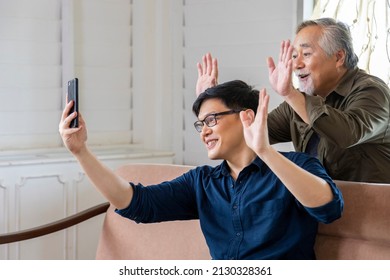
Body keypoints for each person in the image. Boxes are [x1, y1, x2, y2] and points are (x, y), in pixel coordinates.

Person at [59, 79, 343, 260]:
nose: (203, 132)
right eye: (200, 124)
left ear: (247, 117)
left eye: (212, 120)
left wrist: (265, 152)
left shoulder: (297, 165)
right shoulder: (202, 182)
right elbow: (135, 203)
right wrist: (80, 151)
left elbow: (328, 207)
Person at [196, 18, 390, 183]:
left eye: (306, 54)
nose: (296, 65)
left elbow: (347, 134)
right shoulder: (298, 102)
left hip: (371, 213)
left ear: (339, 57)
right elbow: (250, 134)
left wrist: (289, 94)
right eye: (294, 56)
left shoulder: (372, 91)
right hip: (321, 209)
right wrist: (211, 105)